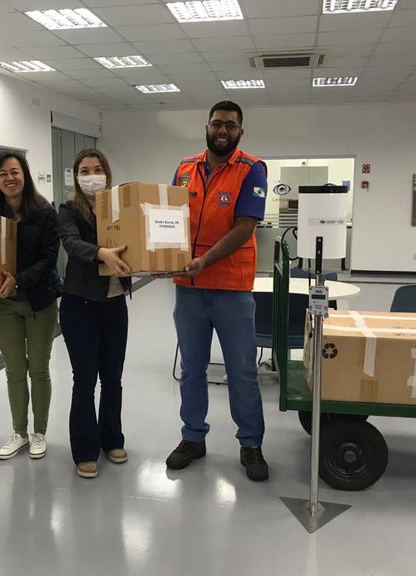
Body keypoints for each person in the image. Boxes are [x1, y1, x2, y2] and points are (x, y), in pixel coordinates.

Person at [166, 101, 270, 482]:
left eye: (230, 125)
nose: (222, 130)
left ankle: (251, 443)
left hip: (231, 289)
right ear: (206, 127)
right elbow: (168, 219)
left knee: (242, 371)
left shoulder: (252, 169)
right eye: (216, 123)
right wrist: (160, 255)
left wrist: (205, 260)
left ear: (240, 131)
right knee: (192, 369)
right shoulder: (184, 169)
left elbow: (245, 227)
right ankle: (193, 437)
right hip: (189, 289)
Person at [0, 151, 61, 461]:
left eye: (14, 171)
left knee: (38, 369)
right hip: (5, 305)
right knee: (14, 370)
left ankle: (39, 432)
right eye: (2, 173)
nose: (9, 178)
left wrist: (19, 280)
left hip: (39, 301)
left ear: (24, 174)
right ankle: (19, 432)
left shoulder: (45, 212)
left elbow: (49, 258)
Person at [57, 148, 131, 479]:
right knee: (85, 379)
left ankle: (112, 439)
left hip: (115, 304)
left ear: (107, 173)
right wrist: (102, 252)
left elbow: (137, 243)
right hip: (80, 304)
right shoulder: (68, 210)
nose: (92, 176)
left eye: (97, 169)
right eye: (85, 171)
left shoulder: (120, 210)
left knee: (113, 378)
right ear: (76, 177)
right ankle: (85, 449)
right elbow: (71, 243)